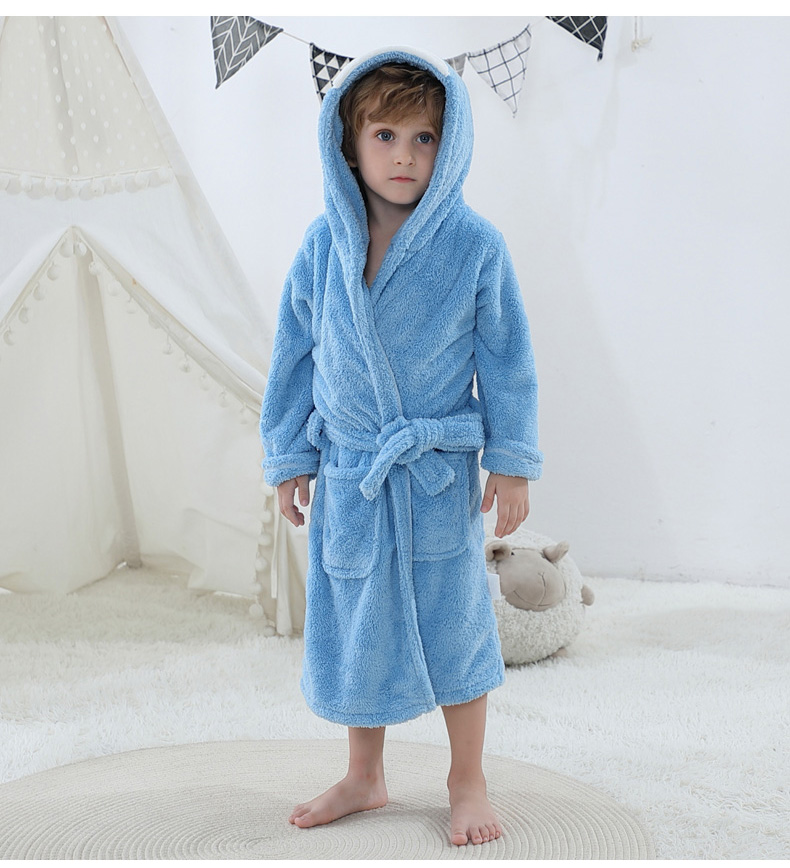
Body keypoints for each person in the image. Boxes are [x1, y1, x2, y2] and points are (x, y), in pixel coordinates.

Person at [259, 46, 542, 847]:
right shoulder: (323, 245)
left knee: (456, 623)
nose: (405, 155)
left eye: (424, 138)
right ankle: (365, 775)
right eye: (385, 135)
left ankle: (467, 778)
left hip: (433, 474)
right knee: (359, 624)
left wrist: (512, 460)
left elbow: (507, 358)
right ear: (348, 144)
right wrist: (290, 456)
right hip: (353, 471)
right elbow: (293, 356)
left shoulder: (474, 246)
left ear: (449, 147)